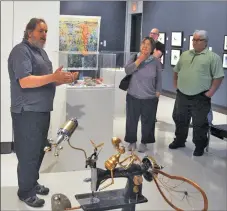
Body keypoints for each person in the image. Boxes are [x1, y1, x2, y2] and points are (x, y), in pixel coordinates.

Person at [8, 18, 78, 207]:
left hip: (42, 110)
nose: (44, 35)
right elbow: (25, 81)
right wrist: (53, 77)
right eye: (41, 31)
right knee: (28, 153)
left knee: (39, 150)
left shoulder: (42, 53)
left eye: (46, 31)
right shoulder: (20, 51)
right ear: (29, 32)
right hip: (26, 111)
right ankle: (25, 192)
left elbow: (47, 80)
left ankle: (32, 183)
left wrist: (63, 79)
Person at [170, 30, 224, 156]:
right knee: (179, 119)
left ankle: (199, 146)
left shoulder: (213, 57)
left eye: (198, 40)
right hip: (182, 95)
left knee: (199, 123)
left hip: (200, 97)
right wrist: (176, 85)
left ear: (205, 42)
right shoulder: (185, 55)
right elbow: (176, 70)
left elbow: (218, 77)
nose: (194, 42)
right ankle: (179, 140)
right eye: (193, 39)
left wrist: (210, 93)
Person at [124, 37, 162, 153]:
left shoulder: (155, 61)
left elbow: (159, 78)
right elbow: (127, 70)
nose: (145, 46)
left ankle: (144, 142)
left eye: (148, 45)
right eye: (143, 43)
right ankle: (132, 141)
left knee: (148, 121)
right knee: (131, 120)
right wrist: (139, 60)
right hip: (133, 95)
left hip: (150, 97)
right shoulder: (134, 57)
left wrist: (158, 91)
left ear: (152, 49)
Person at [150, 28, 165, 122]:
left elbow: (156, 56)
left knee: (155, 94)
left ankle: (153, 115)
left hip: (155, 72)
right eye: (151, 33)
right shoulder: (145, 43)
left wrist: (151, 54)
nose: (152, 35)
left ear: (158, 35)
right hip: (145, 72)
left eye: (154, 33)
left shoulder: (160, 45)